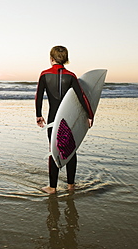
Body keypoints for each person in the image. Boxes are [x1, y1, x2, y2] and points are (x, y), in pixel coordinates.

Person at [35, 46, 94, 194]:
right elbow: (82, 97)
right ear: (65, 59)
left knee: (53, 149)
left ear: (51, 58)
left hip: (53, 118)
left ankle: (52, 187)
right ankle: (71, 186)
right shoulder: (71, 76)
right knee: (71, 150)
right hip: (69, 118)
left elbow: (38, 96)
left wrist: (38, 114)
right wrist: (90, 115)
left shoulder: (44, 74)